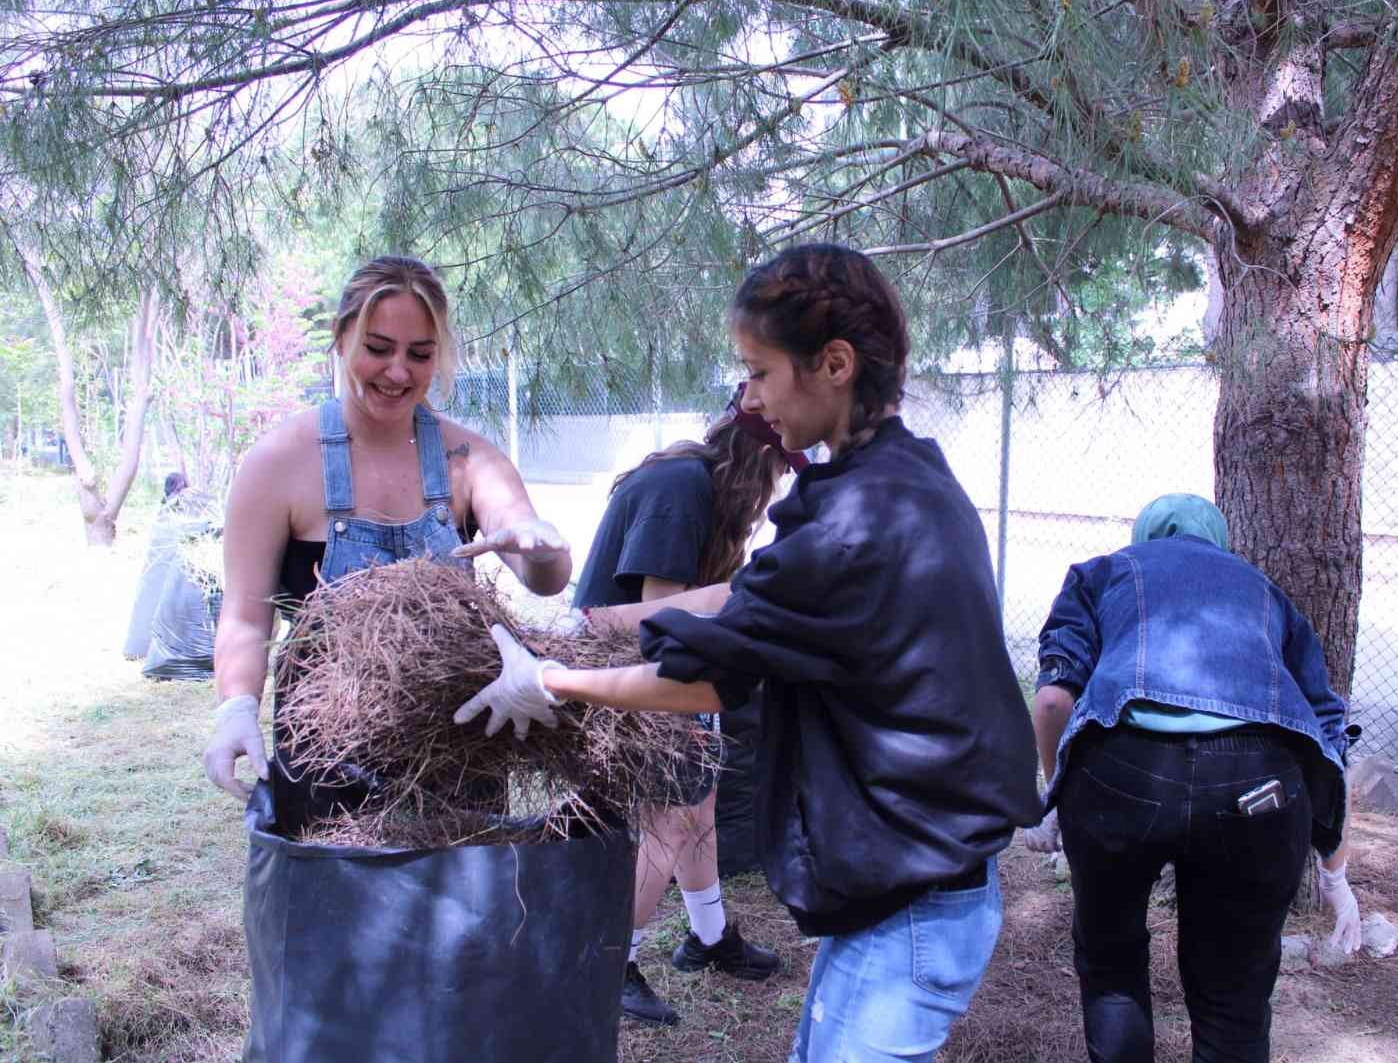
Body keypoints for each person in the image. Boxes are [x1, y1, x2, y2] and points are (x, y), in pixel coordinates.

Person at [455, 243, 1040, 1062]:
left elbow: (700, 682)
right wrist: (610, 624)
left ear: (832, 364)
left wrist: (553, 678)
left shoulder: (850, 523)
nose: (752, 399)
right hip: (913, 889)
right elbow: (753, 597)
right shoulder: (907, 478)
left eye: (760, 372)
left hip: (912, 902)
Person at [201, 255, 574, 821]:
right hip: (326, 758)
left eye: (420, 354)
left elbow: (542, 578)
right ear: (340, 336)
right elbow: (245, 618)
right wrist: (235, 707)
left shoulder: (469, 459)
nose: (398, 372)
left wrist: (545, 551)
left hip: (457, 754)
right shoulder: (276, 464)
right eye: (378, 348)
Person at [1023, 493, 1359, 1063]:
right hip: (1260, 790)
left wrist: (1054, 797)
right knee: (1235, 997)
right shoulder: (1266, 592)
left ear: (1144, 537)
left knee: (1112, 967)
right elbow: (1328, 733)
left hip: (1119, 776)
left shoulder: (1101, 574)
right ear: (1219, 543)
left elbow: (1054, 701)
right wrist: (1335, 871)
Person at [574, 399, 798, 1027]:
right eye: (779, 469)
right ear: (759, 457)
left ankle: (708, 935)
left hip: (666, 663)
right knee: (668, 820)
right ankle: (613, 965)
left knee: (699, 805)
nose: (773, 489)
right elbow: (657, 611)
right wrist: (747, 596)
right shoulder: (682, 485)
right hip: (635, 667)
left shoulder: (701, 490)